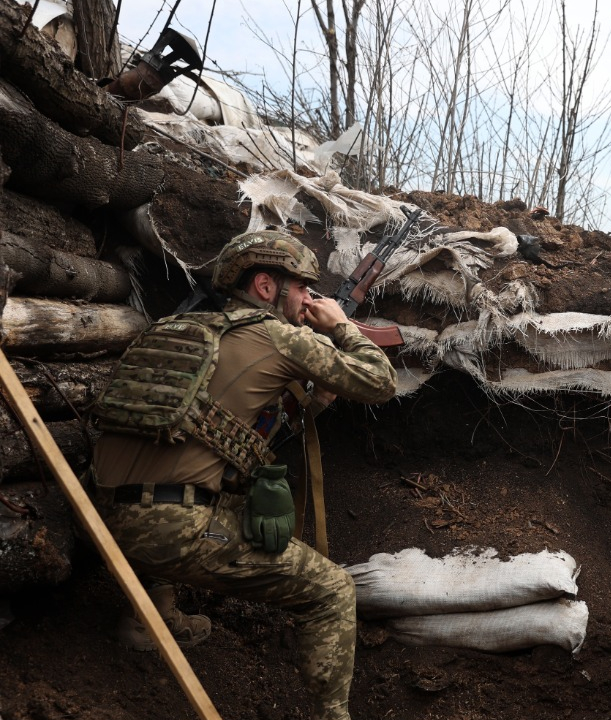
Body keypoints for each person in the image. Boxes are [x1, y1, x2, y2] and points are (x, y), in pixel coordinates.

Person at [90, 230, 398, 720]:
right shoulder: (278, 336)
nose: (309, 300)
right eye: (302, 288)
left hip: (102, 519)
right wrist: (341, 326)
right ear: (264, 285)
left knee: (236, 500)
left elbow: (219, 438)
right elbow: (380, 382)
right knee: (333, 590)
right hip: (172, 533)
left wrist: (308, 405)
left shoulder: (175, 331)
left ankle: (149, 619)